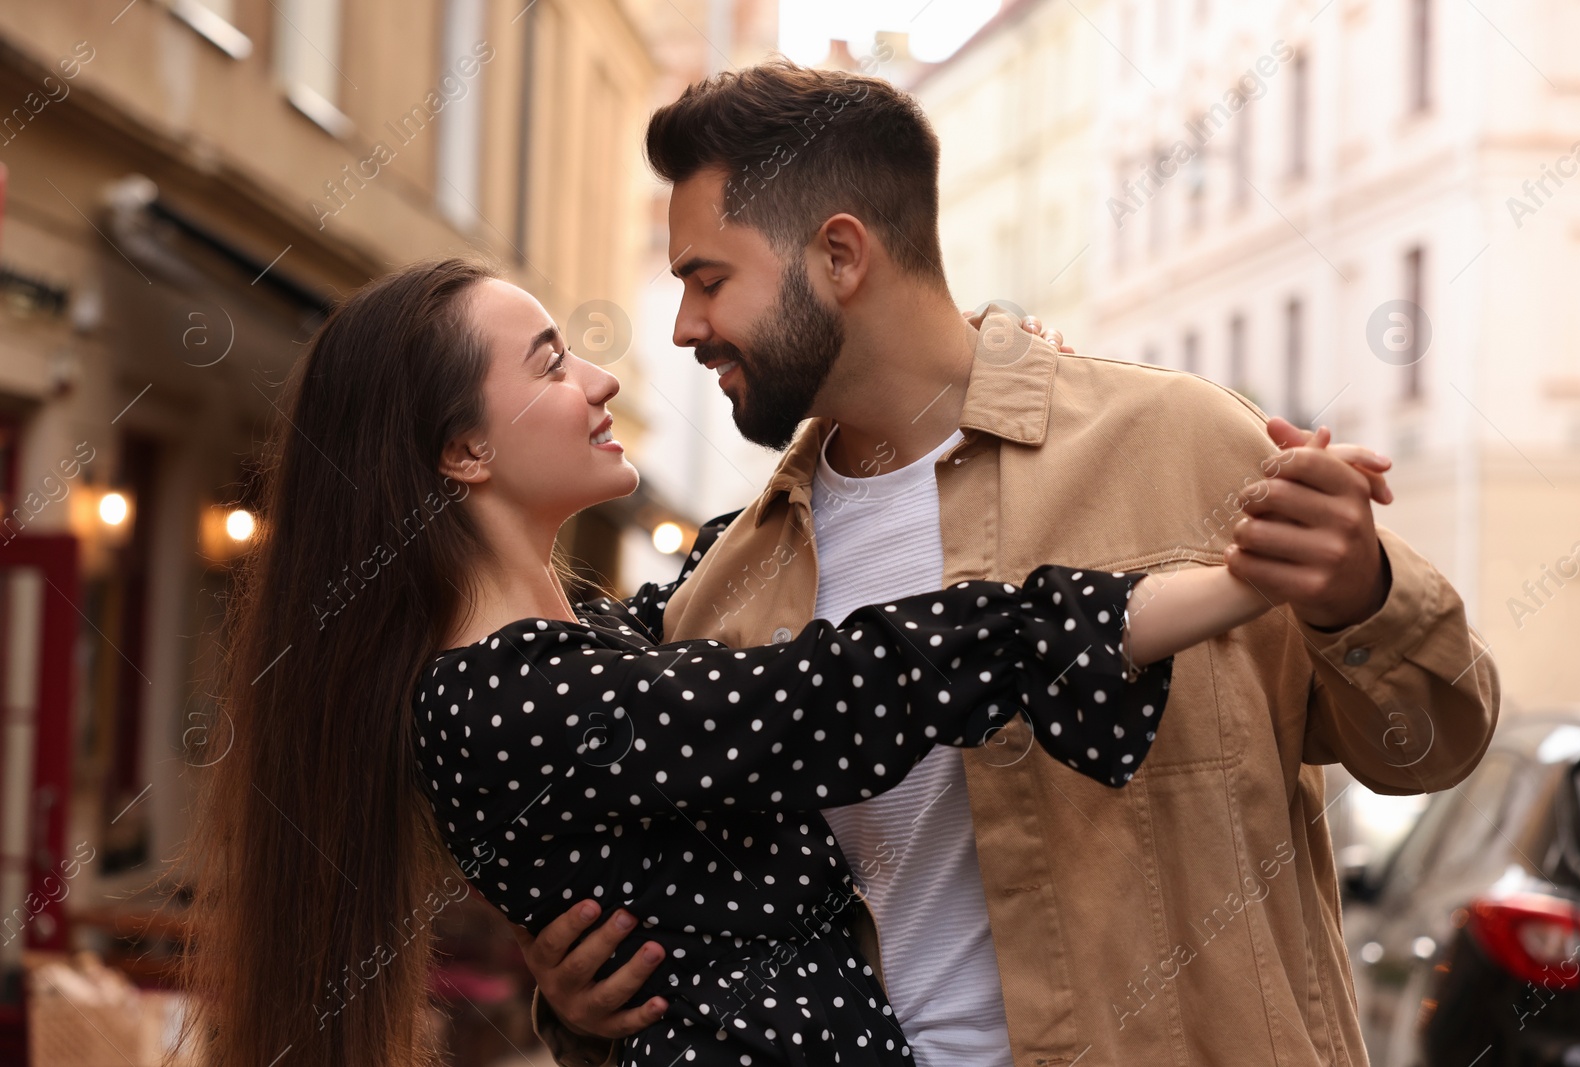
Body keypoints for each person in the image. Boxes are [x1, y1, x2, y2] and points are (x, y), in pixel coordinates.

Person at [522, 61, 1500, 1067]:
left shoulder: (1182, 443)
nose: (682, 325)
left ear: (841, 254)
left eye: (707, 278)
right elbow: (702, 926)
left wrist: (1358, 593)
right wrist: (582, 1003)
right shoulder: (732, 578)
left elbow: (1431, 743)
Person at [174, 256, 1378, 1067]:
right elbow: (843, 685)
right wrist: (1236, 585)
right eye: (547, 363)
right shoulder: (507, 694)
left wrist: (970, 387)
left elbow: (750, 564)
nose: (599, 376)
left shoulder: (588, 649)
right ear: (462, 454)